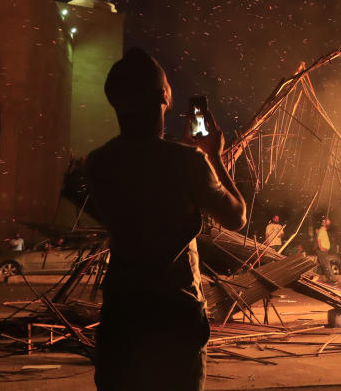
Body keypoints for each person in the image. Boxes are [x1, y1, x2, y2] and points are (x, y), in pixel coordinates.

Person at [87, 48, 247, 391]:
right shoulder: (188, 162)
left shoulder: (99, 163)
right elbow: (236, 217)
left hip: (121, 316)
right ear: (164, 95)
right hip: (175, 316)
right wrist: (212, 157)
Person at [315, 218, 337, 284]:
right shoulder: (321, 230)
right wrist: (321, 248)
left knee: (324, 265)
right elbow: (318, 240)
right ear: (324, 224)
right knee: (326, 265)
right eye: (327, 222)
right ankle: (332, 279)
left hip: (324, 250)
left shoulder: (324, 231)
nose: (329, 223)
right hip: (322, 250)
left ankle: (330, 279)